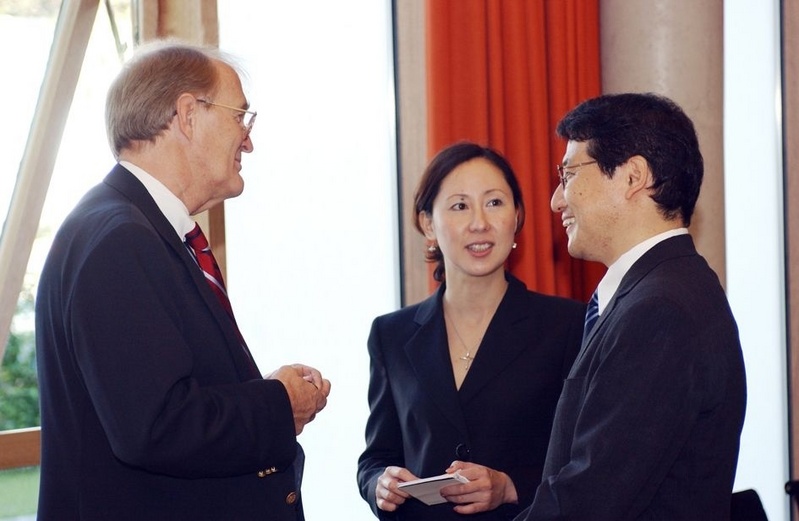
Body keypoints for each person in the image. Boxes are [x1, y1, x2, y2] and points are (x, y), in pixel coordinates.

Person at [34, 41, 331, 521]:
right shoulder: (120, 240)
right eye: (241, 117)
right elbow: (159, 426)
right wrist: (279, 403)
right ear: (188, 115)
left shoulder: (128, 227)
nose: (249, 140)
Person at [515, 93, 747, 520]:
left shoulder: (662, 311)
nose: (555, 201)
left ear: (632, 176)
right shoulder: (658, 292)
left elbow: (591, 499)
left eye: (567, 175)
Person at [356, 141, 586, 520]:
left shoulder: (566, 325)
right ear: (428, 223)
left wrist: (510, 486)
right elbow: (377, 457)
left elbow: (584, 460)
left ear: (517, 217)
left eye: (494, 203)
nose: (480, 222)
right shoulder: (391, 335)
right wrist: (378, 482)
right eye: (460, 206)